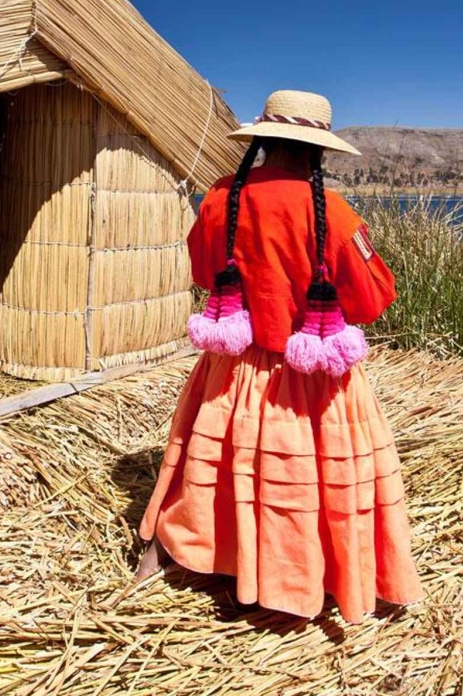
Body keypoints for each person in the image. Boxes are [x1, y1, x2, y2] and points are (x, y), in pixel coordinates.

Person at [136, 90, 422, 623]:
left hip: (233, 370)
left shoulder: (223, 198)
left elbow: (203, 274)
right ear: (320, 153)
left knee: (220, 467)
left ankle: (212, 556)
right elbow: (372, 299)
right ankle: (301, 580)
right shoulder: (335, 215)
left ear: (262, 141)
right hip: (311, 380)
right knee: (301, 484)